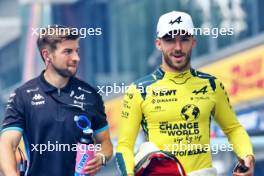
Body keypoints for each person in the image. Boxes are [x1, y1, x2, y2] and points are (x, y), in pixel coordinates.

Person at [116, 11, 254, 176]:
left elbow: (233, 129)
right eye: (170, 40)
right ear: (158, 44)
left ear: (193, 42)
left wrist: (247, 156)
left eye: (184, 39)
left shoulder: (211, 84)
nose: (178, 48)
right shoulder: (138, 90)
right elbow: (124, 145)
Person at [0, 25, 113, 176]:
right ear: (47, 55)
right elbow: (6, 144)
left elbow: (105, 143)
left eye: (77, 51)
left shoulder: (91, 95)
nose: (76, 58)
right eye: (67, 51)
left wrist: (101, 157)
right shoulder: (22, 96)